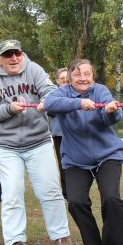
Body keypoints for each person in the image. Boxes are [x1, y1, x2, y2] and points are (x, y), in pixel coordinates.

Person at [0, 39, 77, 245]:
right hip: (6, 145)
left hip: (39, 140)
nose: (14, 58)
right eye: (8, 55)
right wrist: (8, 109)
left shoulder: (34, 69)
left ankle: (61, 236)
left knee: (51, 190)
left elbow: (51, 90)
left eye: (17, 53)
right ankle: (16, 241)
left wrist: (46, 100)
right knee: (12, 193)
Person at [44, 59, 123, 245]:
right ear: (69, 79)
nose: (83, 78)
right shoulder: (62, 93)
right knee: (75, 201)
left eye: (87, 74)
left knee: (112, 199)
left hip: (107, 155)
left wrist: (111, 111)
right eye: (77, 75)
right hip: (76, 159)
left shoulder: (101, 91)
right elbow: (49, 104)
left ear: (92, 76)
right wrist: (78, 103)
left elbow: (111, 118)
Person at [49, 67, 68, 198]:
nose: (65, 81)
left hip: (76, 133)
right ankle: (66, 193)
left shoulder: (77, 92)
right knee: (63, 164)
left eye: (67, 79)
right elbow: (51, 110)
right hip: (59, 134)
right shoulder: (53, 93)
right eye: (62, 79)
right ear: (57, 81)